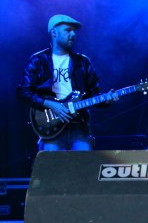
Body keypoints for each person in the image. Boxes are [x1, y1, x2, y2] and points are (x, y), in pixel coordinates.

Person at [16, 14, 102, 151]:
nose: (73, 35)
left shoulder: (83, 62)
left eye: (74, 31)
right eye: (68, 30)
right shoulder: (39, 60)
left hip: (79, 126)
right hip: (51, 128)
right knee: (53, 163)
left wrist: (107, 99)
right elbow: (23, 92)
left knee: (85, 163)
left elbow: (95, 94)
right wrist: (50, 104)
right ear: (54, 33)